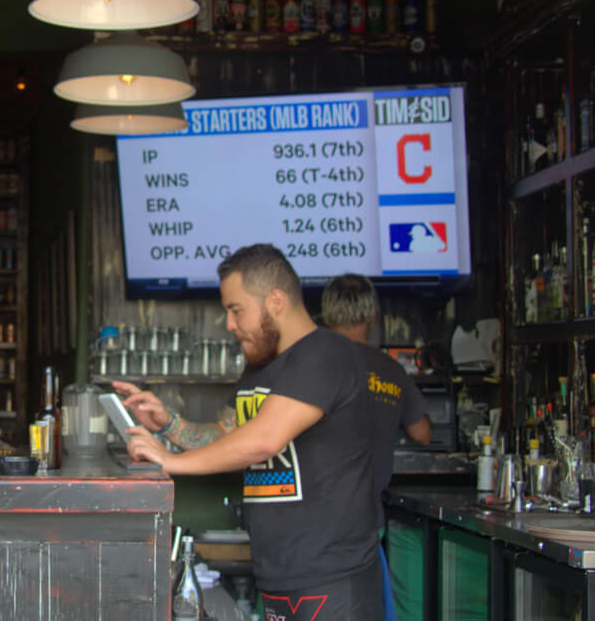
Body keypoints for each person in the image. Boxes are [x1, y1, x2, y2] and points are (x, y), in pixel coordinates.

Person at [118, 244, 382, 621]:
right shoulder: (261, 369)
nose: (228, 323)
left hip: (332, 576)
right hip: (278, 573)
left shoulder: (326, 352)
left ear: (275, 300)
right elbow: (228, 434)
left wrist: (171, 461)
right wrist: (168, 424)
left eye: (236, 309)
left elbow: (263, 439)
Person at [322, 274, 432, 621]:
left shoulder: (312, 363)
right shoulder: (391, 371)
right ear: (373, 317)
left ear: (327, 316)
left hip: (312, 523)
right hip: (367, 521)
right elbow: (423, 434)